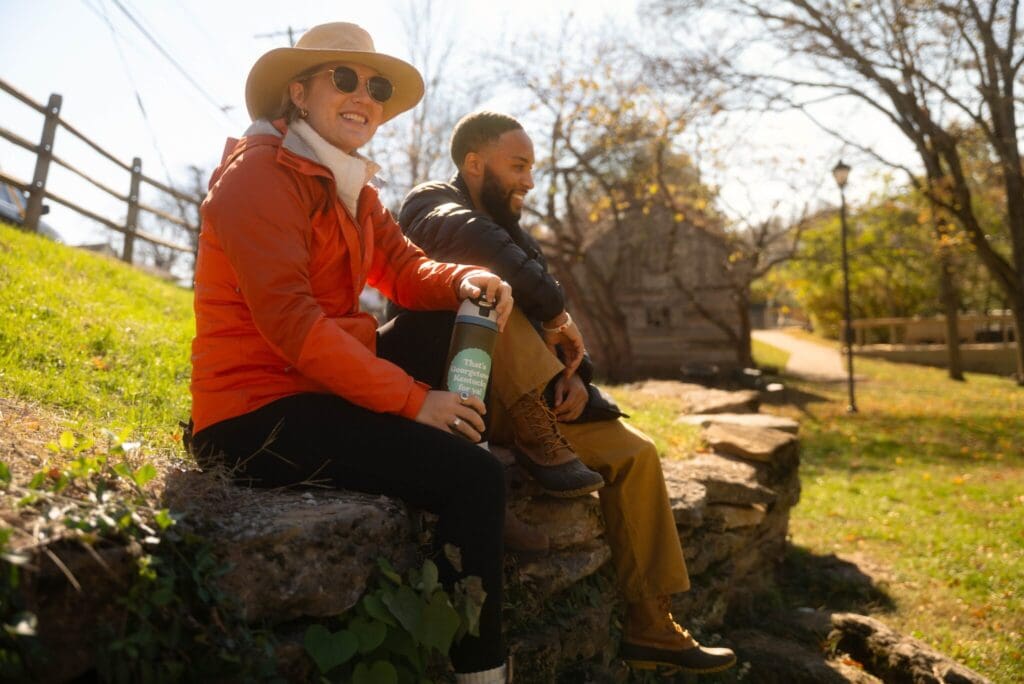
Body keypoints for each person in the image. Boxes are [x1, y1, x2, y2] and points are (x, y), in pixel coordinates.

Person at [188, 25, 513, 682]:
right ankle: (481, 668)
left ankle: (486, 440)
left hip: (319, 389)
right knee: (475, 479)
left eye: (378, 85)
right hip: (254, 416)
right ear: (299, 92)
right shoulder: (259, 177)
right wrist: (415, 402)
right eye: (344, 77)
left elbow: (404, 270)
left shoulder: (354, 189)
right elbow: (293, 327)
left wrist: (462, 281)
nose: (364, 94)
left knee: (453, 318)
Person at [395, 111, 738, 676]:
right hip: (456, 390)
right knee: (489, 289)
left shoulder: (519, 233)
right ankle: (535, 428)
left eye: (533, 168)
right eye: (519, 165)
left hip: (526, 397)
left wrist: (573, 377)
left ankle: (652, 623)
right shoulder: (429, 205)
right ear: (474, 164)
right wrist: (554, 309)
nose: (530, 180)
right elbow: (487, 253)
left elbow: (554, 328)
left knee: (636, 453)